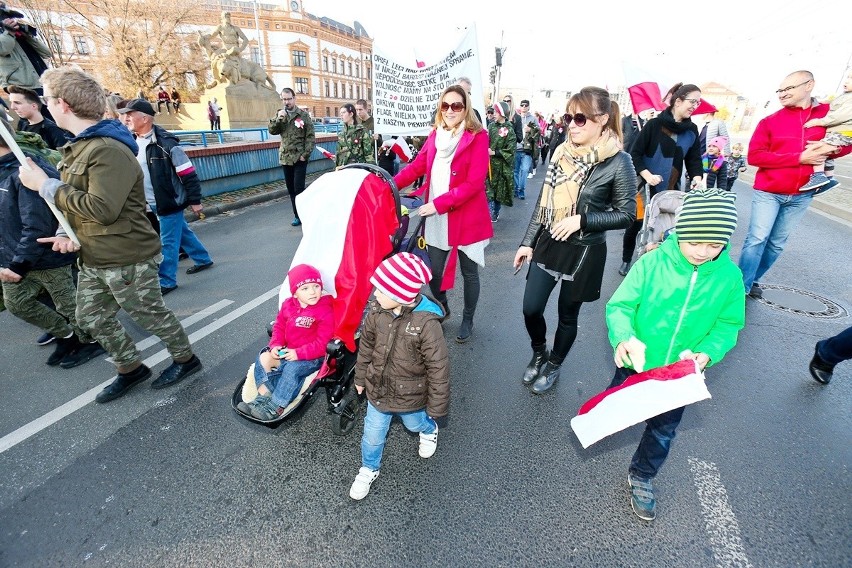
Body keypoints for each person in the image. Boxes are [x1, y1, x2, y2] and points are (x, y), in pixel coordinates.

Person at [18, 66, 203, 404]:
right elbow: (76, 201)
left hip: (126, 256)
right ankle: (130, 367)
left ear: (63, 104)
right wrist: (65, 231)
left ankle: (185, 359)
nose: (43, 107)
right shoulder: (79, 148)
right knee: (89, 317)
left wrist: (45, 186)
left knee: (149, 315)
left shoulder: (106, 150)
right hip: (93, 254)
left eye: (46, 100)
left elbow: (102, 208)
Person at [605, 188, 745, 521]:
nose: (703, 251)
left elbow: (728, 325)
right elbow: (621, 305)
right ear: (681, 231)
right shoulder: (652, 263)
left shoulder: (730, 278)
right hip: (636, 360)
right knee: (618, 407)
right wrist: (623, 337)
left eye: (714, 245)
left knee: (663, 429)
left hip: (678, 373)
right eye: (695, 241)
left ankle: (642, 476)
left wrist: (707, 354)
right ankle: (614, 415)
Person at [513, 86, 636, 394]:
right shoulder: (560, 153)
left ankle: (553, 364)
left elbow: (626, 214)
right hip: (550, 242)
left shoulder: (619, 162)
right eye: (569, 117)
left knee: (568, 315)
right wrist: (527, 242)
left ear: (603, 120)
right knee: (531, 308)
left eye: (580, 118)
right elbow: (544, 202)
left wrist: (583, 219)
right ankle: (539, 351)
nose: (572, 124)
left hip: (584, 252)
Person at [0, 119, 104, 369]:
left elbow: (38, 225)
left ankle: (89, 342)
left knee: (69, 305)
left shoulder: (26, 170)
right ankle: (66, 336)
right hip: (13, 259)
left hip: (46, 258)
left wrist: (18, 265)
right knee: (17, 304)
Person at [738, 70, 852, 299]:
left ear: (809, 85)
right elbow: (755, 157)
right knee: (757, 239)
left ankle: (754, 278)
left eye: (788, 88)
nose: (782, 93)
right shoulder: (770, 121)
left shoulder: (830, 114)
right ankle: (741, 287)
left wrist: (832, 150)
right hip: (768, 191)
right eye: (780, 90)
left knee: (777, 244)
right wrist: (799, 158)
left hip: (802, 194)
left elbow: (846, 140)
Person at [393, 84, 492, 343]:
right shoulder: (435, 134)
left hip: (466, 216)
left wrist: (438, 204)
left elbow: (474, 183)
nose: (450, 110)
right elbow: (416, 167)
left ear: (465, 108)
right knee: (434, 273)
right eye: (445, 105)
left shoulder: (478, 136)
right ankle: (444, 307)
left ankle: (468, 318)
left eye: (456, 105)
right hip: (437, 218)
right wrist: (389, 185)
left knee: (470, 273)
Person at [349, 252, 449, 501]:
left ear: (401, 296)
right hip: (378, 389)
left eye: (381, 290)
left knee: (413, 424)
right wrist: (360, 378)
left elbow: (439, 368)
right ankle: (368, 468)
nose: (375, 295)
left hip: (410, 394)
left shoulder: (427, 324)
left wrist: (437, 406)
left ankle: (428, 428)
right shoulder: (376, 313)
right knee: (372, 435)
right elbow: (367, 349)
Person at [118, 99, 214, 296]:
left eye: (130, 114)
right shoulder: (133, 141)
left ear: (144, 118)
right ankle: (203, 258)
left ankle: (167, 280)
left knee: (168, 242)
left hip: (169, 201)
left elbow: (188, 174)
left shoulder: (167, 145)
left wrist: (195, 201)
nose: (126, 118)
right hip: (152, 202)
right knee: (183, 233)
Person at [619, 82, 704, 277]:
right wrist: (647, 174)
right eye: (692, 101)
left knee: (665, 226)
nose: (695, 106)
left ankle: (653, 264)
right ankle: (626, 259)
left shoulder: (692, 130)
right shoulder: (654, 125)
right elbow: (635, 154)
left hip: (672, 187)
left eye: (698, 103)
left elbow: (694, 158)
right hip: (645, 186)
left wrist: (697, 177)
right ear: (678, 101)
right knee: (637, 225)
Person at [238, 264, 334, 419]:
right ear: (295, 293)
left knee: (292, 370)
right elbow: (279, 328)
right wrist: (275, 345)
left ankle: (276, 406)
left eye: (316, 286)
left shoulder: (324, 310)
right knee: (264, 356)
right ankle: (263, 396)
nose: (312, 292)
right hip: (288, 350)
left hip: (312, 356)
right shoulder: (288, 305)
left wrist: (298, 354)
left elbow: (323, 343)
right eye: (305, 288)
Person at [268, 88, 314, 227]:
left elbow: (310, 137)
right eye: (284, 99)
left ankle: (304, 213)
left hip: (299, 158)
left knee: (298, 188)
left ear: (294, 98)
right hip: (286, 158)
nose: (286, 102)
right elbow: (272, 130)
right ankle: (297, 215)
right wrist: (278, 119)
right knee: (291, 190)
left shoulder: (303, 116)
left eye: (289, 99)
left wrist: (305, 155)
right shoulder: (280, 115)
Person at [800, 70, 852, 191]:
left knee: (818, 150)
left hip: (843, 132)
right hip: (839, 132)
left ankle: (819, 176)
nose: (847, 81)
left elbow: (840, 115)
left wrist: (820, 121)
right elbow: (833, 102)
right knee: (827, 155)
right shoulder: (845, 95)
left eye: (851, 79)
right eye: (848, 77)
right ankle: (830, 178)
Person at [0, 5, 50, 92]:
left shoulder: (20, 33)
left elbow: (47, 53)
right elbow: (3, 49)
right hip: (20, 85)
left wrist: (28, 35)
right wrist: (9, 32)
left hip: (42, 82)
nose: (10, 20)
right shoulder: (6, 34)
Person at [7, 85, 70, 150]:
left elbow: (65, 157)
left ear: (34, 106)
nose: (12, 107)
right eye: (11, 102)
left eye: (17, 103)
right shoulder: (22, 124)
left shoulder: (52, 130)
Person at [485, 101, 515, 222]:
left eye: (496, 112)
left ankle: (495, 212)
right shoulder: (491, 126)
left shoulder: (509, 129)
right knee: (488, 189)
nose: (494, 114)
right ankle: (488, 211)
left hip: (502, 167)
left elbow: (511, 149)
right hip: (489, 164)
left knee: (498, 191)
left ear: (502, 113)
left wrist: (496, 152)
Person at [512, 99, 538, 200]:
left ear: (528, 107)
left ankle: (521, 190)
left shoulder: (533, 119)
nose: (523, 107)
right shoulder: (515, 118)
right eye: (522, 105)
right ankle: (516, 190)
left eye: (525, 105)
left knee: (525, 170)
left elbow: (539, 132)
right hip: (516, 148)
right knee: (515, 171)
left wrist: (531, 129)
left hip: (527, 149)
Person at [336, 102, 375, 167]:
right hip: (344, 167)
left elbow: (368, 153)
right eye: (340, 113)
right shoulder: (341, 133)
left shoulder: (361, 131)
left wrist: (373, 169)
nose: (341, 115)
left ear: (351, 114)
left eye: (343, 112)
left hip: (358, 167)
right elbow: (338, 152)